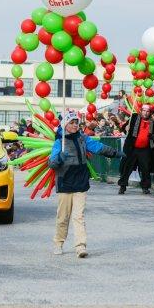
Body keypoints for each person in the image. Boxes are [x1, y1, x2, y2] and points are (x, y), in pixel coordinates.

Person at [49, 111, 124, 258]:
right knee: (63, 217)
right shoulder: (59, 142)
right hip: (65, 182)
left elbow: (98, 147)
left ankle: (80, 246)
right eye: (71, 122)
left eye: (76, 122)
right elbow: (51, 163)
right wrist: (59, 157)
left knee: (79, 216)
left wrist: (115, 153)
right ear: (65, 124)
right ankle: (58, 243)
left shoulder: (83, 138)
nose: (75, 125)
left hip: (81, 182)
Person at [117, 104, 154, 194]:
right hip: (132, 148)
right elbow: (122, 128)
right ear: (141, 111)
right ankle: (122, 186)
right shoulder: (134, 117)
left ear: (149, 113)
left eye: (147, 111)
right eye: (144, 111)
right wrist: (125, 128)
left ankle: (145, 187)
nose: (145, 113)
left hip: (145, 149)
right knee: (127, 168)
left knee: (145, 169)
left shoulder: (152, 122)